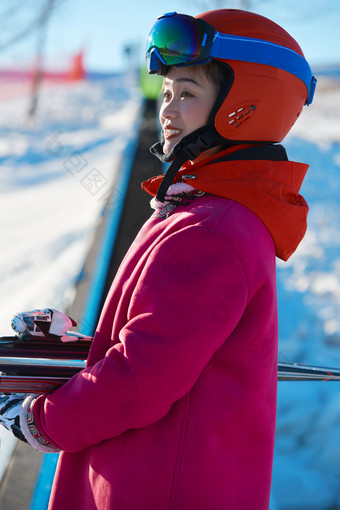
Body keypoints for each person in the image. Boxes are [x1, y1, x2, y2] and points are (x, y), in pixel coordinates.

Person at [0, 9, 316, 510]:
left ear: (246, 107)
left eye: (187, 93)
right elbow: (168, 343)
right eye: (166, 93)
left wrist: (41, 421)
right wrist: (80, 345)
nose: (167, 109)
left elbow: (141, 379)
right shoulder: (202, 211)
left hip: (153, 486)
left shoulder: (212, 231)